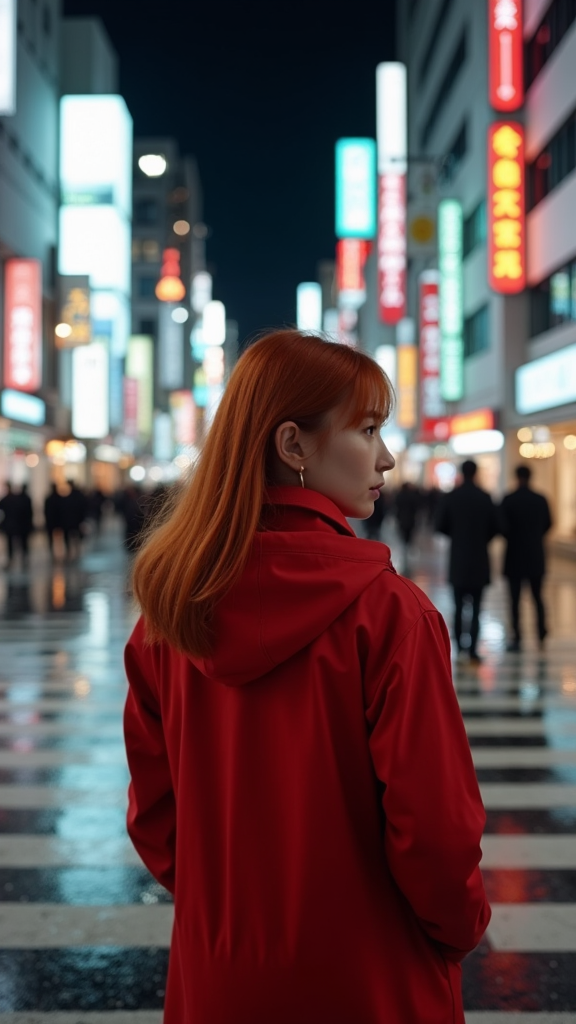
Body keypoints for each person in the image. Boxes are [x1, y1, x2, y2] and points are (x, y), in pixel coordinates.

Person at [124, 331, 490, 1024]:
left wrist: (225, 907)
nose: (385, 456)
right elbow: (437, 830)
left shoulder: (167, 616)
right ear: (292, 446)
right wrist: (459, 929)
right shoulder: (388, 613)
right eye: (368, 429)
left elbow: (155, 818)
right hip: (373, 973)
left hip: (219, 974)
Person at [435, 460, 500, 664]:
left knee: (457, 605)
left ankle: (460, 648)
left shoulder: (452, 497)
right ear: (476, 473)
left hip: (458, 558)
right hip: (479, 557)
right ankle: (472, 649)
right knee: (477, 607)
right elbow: (497, 525)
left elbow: (440, 525)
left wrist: (456, 535)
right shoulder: (485, 497)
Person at [500, 465, 552, 651]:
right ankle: (541, 634)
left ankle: (517, 637)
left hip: (514, 555)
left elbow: (502, 526)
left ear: (516, 476)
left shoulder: (508, 499)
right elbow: (548, 524)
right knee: (538, 597)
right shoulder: (540, 499)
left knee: (514, 600)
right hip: (535, 555)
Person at [61, 480, 87, 559]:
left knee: (71, 536)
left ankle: (72, 551)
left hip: (73, 520)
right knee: (75, 537)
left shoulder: (70, 497)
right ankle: (76, 551)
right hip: (75, 520)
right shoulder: (77, 496)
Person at [0, 483, 19, 567]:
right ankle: (14, 558)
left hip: (10, 524)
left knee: (11, 543)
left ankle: (13, 559)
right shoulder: (14, 499)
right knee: (14, 542)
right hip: (13, 524)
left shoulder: (6, 500)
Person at [44, 483, 64, 557]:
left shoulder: (49, 499)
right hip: (57, 521)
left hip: (52, 521)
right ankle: (57, 552)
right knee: (59, 537)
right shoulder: (59, 498)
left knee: (53, 538)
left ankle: (54, 552)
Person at [16, 483, 34, 564]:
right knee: (24, 542)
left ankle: (24, 556)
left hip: (21, 524)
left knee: (22, 541)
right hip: (24, 524)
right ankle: (24, 556)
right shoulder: (26, 499)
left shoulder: (21, 499)